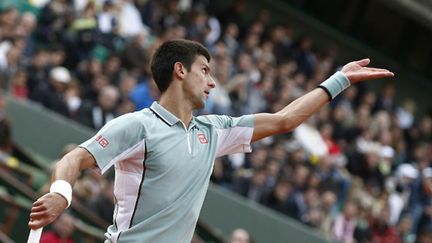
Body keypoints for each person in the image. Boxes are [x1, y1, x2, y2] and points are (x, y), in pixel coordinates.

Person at [28, 39, 393, 242]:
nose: (212, 81)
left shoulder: (214, 129)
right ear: (180, 70)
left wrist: (339, 80)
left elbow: (285, 120)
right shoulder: (137, 126)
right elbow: (74, 159)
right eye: (205, 70)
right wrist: (62, 194)